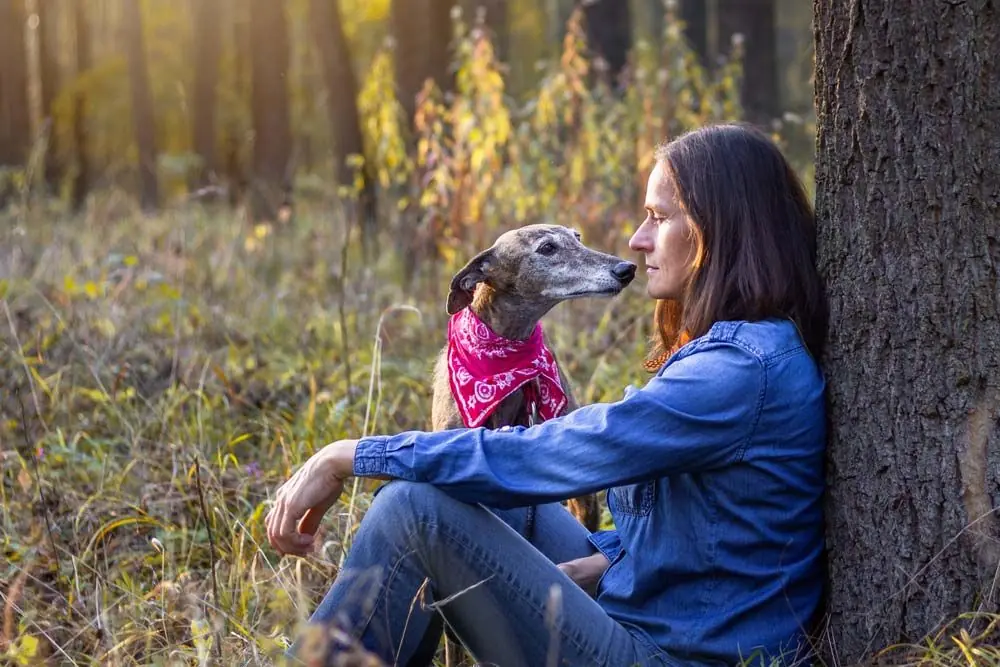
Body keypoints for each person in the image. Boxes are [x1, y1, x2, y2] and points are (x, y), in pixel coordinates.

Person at [266, 123, 828, 667]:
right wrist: (600, 561)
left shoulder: (738, 372)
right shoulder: (748, 354)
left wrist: (354, 454)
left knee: (414, 510)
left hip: (668, 654)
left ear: (718, 228)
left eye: (659, 217)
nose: (637, 239)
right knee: (497, 504)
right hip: (655, 619)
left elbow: (557, 450)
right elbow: (705, 537)